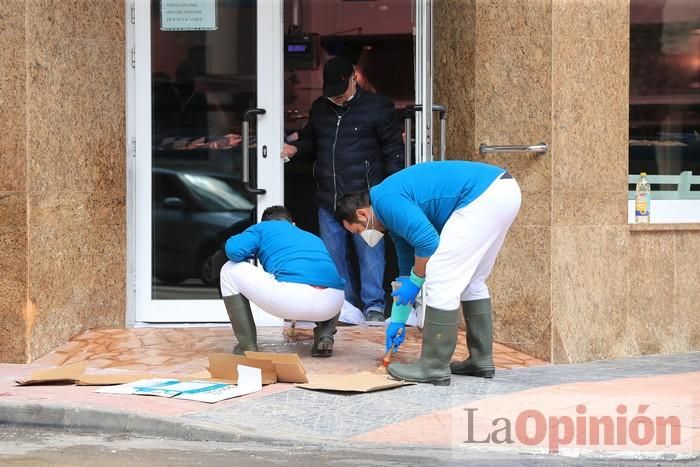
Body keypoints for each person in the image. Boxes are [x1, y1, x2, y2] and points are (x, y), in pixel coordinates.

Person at [335, 161, 521, 385]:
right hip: (502, 191)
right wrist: (398, 321)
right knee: (473, 282)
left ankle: (433, 366)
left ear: (362, 214)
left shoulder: (385, 200)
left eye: (358, 230)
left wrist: (417, 280)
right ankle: (481, 360)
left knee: (440, 278)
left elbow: (427, 242)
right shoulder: (391, 216)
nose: (363, 236)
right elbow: (407, 270)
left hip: (482, 195)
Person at [281, 56, 404, 322]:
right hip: (329, 199)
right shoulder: (320, 108)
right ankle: (345, 308)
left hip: (365, 199)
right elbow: (311, 143)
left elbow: (394, 152)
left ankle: (373, 307)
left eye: (340, 92)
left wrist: (390, 194)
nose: (335, 98)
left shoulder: (377, 107)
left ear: (353, 79)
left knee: (371, 256)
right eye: (331, 94)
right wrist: (296, 149)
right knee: (334, 258)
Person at [220, 206, 345, 357]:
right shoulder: (312, 237)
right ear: (292, 224)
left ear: (265, 222)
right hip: (332, 305)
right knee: (328, 279)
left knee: (229, 269)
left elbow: (233, 250)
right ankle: (325, 336)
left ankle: (247, 347)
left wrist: (253, 247)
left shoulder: (263, 228)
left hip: (291, 298)